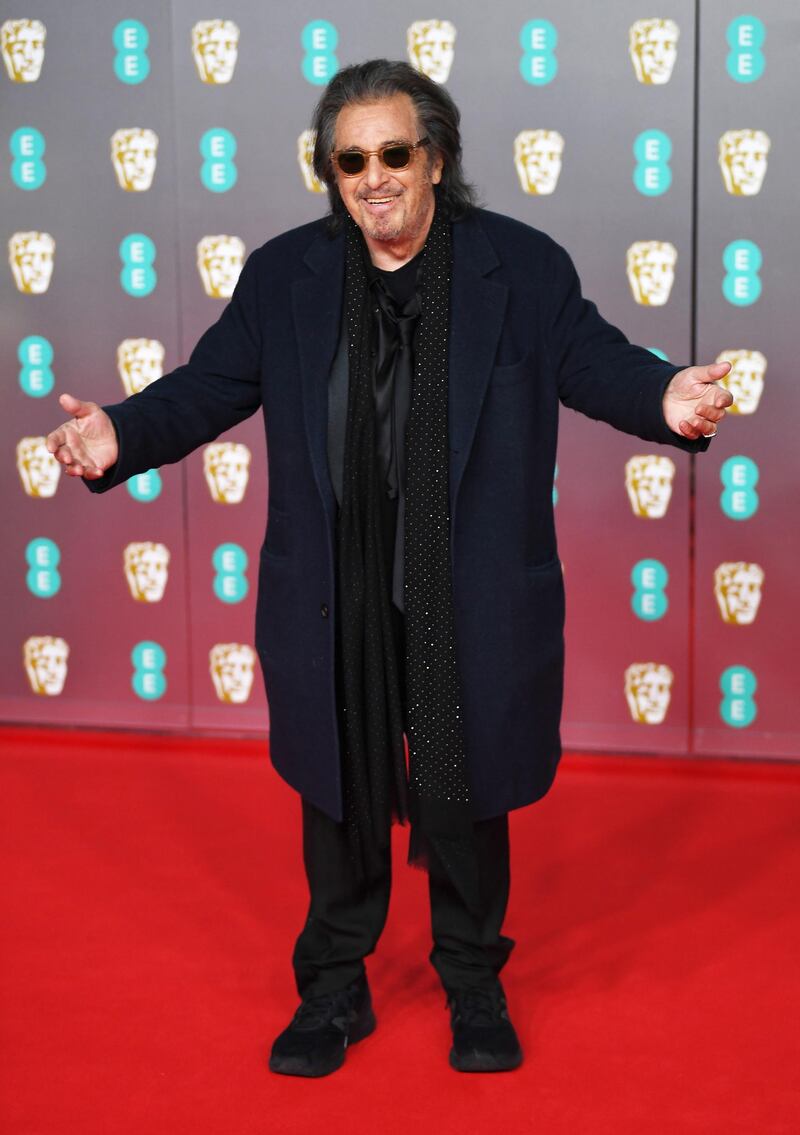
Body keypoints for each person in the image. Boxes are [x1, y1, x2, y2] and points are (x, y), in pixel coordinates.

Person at [45, 59, 733, 1077]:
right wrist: (120, 435)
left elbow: (592, 359)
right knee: (340, 790)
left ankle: (471, 980)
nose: (373, 177)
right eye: (349, 160)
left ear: (436, 158)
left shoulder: (519, 268)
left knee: (466, 792)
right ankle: (331, 989)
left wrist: (666, 396)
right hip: (336, 590)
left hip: (471, 590)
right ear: (330, 173)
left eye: (394, 154)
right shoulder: (285, 276)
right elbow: (206, 386)